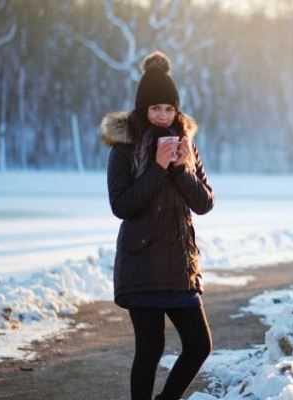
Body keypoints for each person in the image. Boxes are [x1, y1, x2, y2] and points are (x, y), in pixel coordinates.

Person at [100, 50, 214, 400]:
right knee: (149, 351)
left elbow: (204, 202)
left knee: (199, 346)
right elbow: (122, 205)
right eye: (155, 108)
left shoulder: (186, 146)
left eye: (169, 108)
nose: (163, 116)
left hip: (180, 266)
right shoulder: (125, 148)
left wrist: (181, 167)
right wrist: (157, 168)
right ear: (142, 109)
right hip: (142, 265)